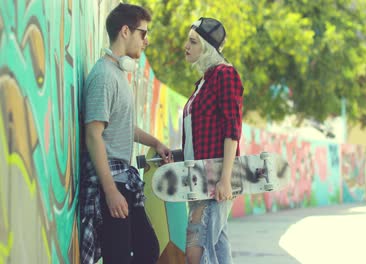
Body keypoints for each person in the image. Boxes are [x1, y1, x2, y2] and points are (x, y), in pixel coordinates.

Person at [79, 3, 172, 264]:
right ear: (125, 31)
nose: (146, 41)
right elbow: (93, 135)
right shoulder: (104, 76)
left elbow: (121, 124)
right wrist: (110, 191)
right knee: (120, 256)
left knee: (147, 249)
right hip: (110, 182)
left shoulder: (118, 74)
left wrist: (156, 143)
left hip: (123, 180)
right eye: (143, 33)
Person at [182, 17, 244, 264]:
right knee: (216, 247)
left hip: (214, 180)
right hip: (198, 179)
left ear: (207, 46)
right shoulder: (204, 81)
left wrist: (225, 179)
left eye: (193, 41)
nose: (186, 46)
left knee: (197, 250)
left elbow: (232, 130)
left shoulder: (224, 75)